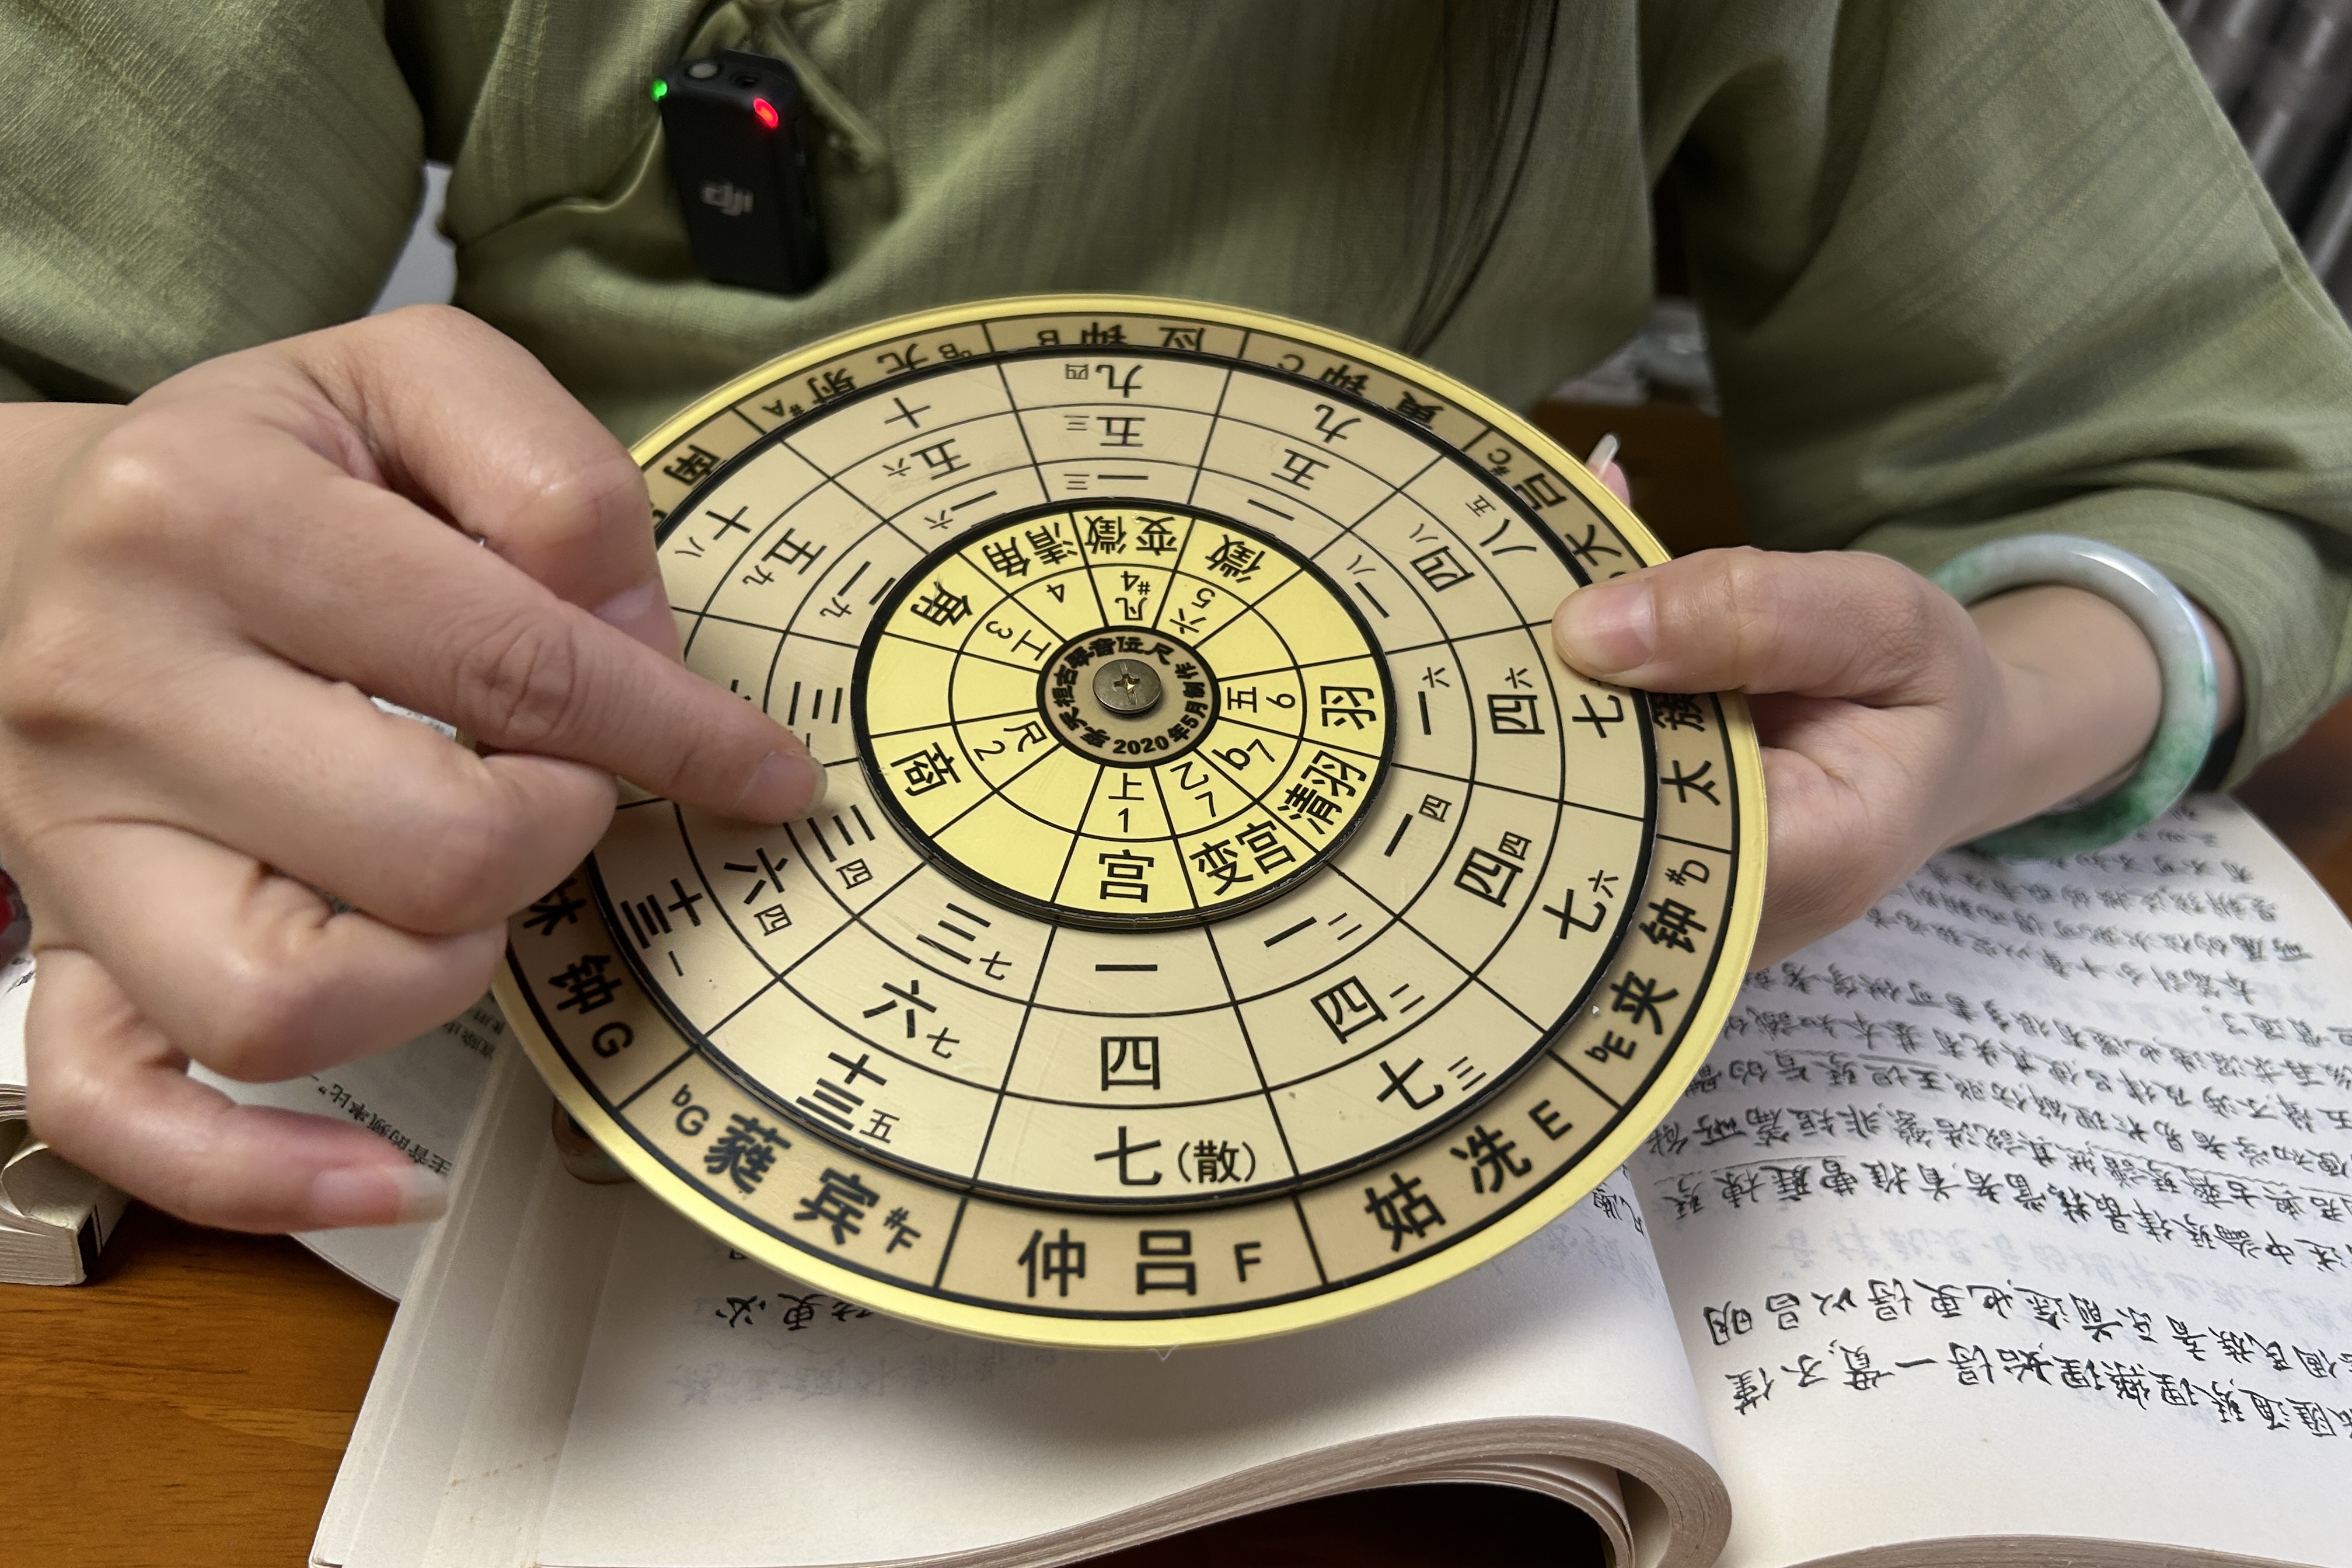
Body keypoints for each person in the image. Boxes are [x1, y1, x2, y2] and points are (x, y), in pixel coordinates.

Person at [0, 2, 2344, 1237]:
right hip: (597, 876)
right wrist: (80, 579)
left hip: (1464, 881)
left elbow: (2214, 464)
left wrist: (2004, 708)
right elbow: (56, 379)